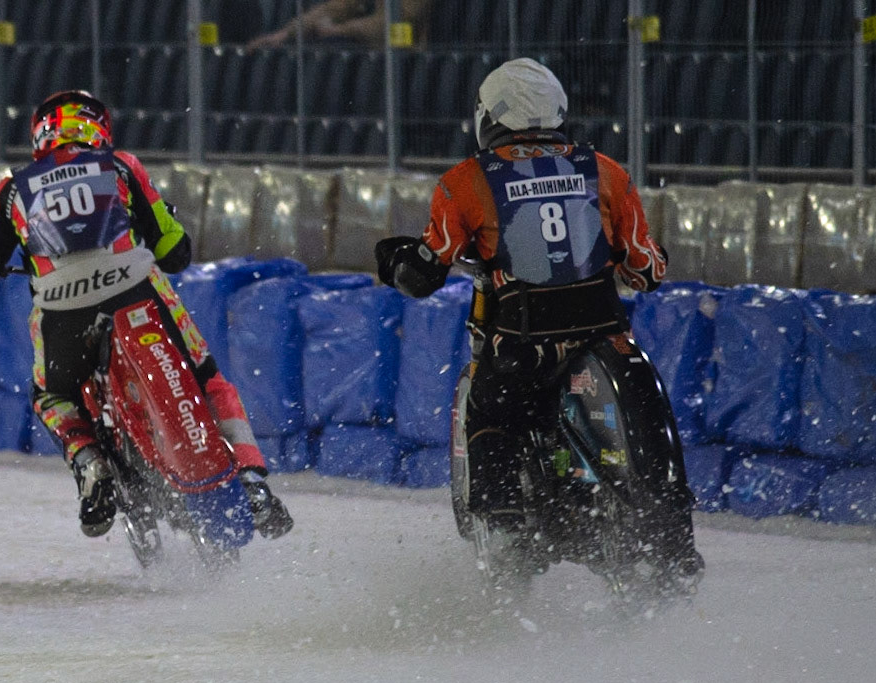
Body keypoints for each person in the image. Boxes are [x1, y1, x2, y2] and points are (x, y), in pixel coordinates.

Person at [374, 58, 703, 579]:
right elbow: (645, 270)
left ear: (488, 115)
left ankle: (505, 530)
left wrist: (399, 262)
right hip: (603, 339)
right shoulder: (606, 170)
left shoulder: (464, 182)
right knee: (651, 399)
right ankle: (676, 532)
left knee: (488, 410)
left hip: (522, 344)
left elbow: (426, 271)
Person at [0, 90, 293, 540]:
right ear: (98, 130)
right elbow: (173, 251)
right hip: (136, 292)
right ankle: (252, 480)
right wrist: (162, 223)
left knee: (51, 396)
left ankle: (90, 467)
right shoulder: (123, 167)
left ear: (42, 136)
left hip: (61, 310)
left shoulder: (13, 187)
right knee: (208, 376)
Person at [246, 0, 432, 50]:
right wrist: (288, 32)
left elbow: (398, 19)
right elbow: (340, 6)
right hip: (375, 52)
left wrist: (341, 29)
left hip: (407, 56)